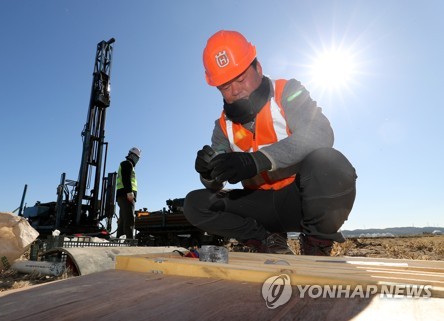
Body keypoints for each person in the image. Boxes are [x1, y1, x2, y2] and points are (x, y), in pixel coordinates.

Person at [184, 30, 357, 256]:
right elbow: (214, 183)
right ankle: (267, 241)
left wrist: (258, 160)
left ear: (258, 68)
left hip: (301, 200)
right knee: (195, 203)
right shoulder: (222, 127)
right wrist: (208, 172)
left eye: (241, 78)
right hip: (258, 207)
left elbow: (320, 133)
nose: (235, 91)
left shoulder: (288, 92)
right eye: (225, 86)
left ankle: (317, 244)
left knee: (330, 163)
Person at [116, 147, 141, 239]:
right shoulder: (127, 163)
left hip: (122, 195)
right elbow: (126, 179)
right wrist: (129, 192)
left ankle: (119, 239)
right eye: (136, 157)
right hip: (126, 195)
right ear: (131, 155)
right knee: (129, 219)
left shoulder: (126, 164)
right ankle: (130, 241)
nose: (137, 160)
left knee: (123, 220)